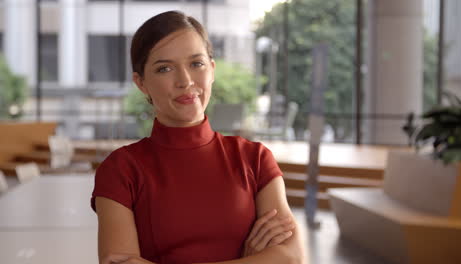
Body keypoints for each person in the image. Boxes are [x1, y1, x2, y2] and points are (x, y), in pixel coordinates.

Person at [91, 11, 305, 264]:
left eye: (196, 64)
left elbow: (291, 258)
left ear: (212, 70)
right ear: (141, 83)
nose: (186, 80)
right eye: (165, 68)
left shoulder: (255, 159)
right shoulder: (121, 169)